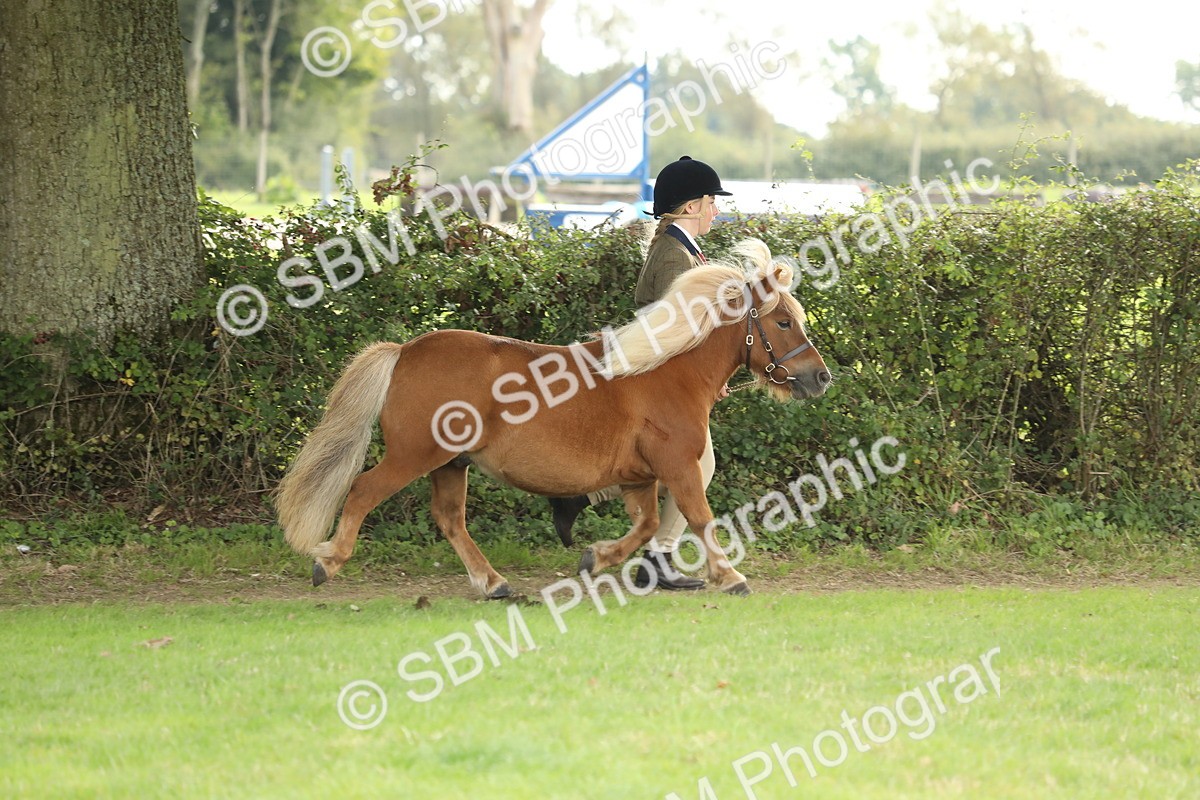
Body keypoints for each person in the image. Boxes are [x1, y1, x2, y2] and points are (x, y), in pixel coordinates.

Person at [550, 155, 732, 590]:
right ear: (691, 206)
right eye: (711, 201)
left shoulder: (679, 247)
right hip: (661, 382)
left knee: (674, 464)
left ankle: (585, 495)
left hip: (666, 378)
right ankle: (658, 558)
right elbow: (671, 328)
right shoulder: (674, 255)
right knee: (698, 465)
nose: (716, 210)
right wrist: (702, 374)